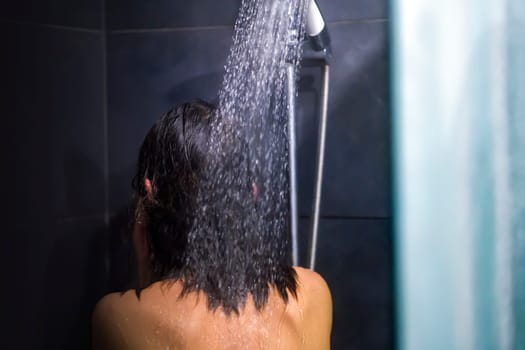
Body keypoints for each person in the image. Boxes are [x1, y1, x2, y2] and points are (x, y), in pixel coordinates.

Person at [92, 100, 332, 350]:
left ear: (149, 193)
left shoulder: (117, 316)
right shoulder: (311, 294)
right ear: (252, 193)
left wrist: (145, 262)